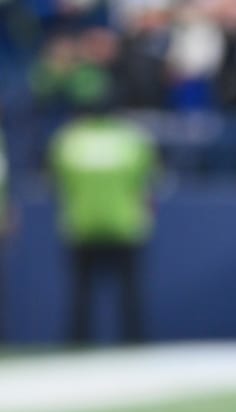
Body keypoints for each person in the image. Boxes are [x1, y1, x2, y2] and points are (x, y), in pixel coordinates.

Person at [49, 89, 157, 344]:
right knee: (130, 294)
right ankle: (134, 346)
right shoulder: (132, 140)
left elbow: (59, 182)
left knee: (81, 295)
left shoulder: (69, 140)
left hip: (82, 225)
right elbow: (146, 181)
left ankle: (78, 347)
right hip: (125, 225)